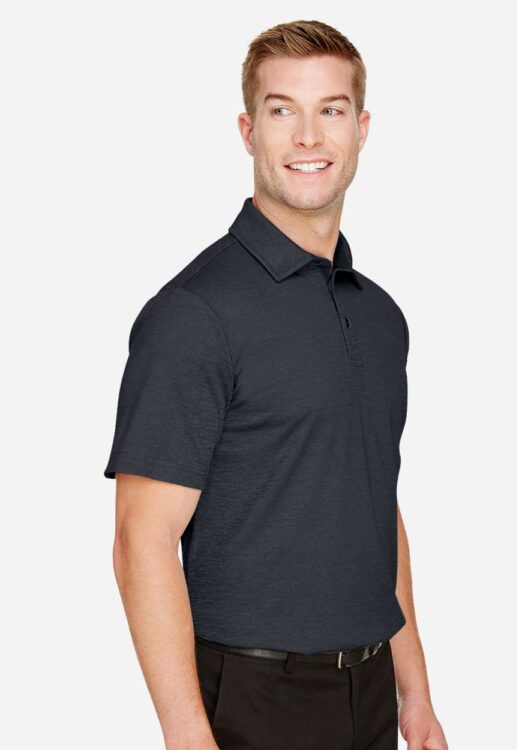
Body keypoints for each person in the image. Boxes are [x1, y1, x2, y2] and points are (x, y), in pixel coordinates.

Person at [104, 18, 448, 750]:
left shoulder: (381, 317)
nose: (308, 136)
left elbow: (373, 506)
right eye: (282, 109)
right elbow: (141, 540)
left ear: (361, 129)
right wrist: (188, 736)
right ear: (248, 130)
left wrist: (414, 693)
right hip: (251, 700)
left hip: (370, 690)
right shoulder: (194, 314)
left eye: (331, 110)